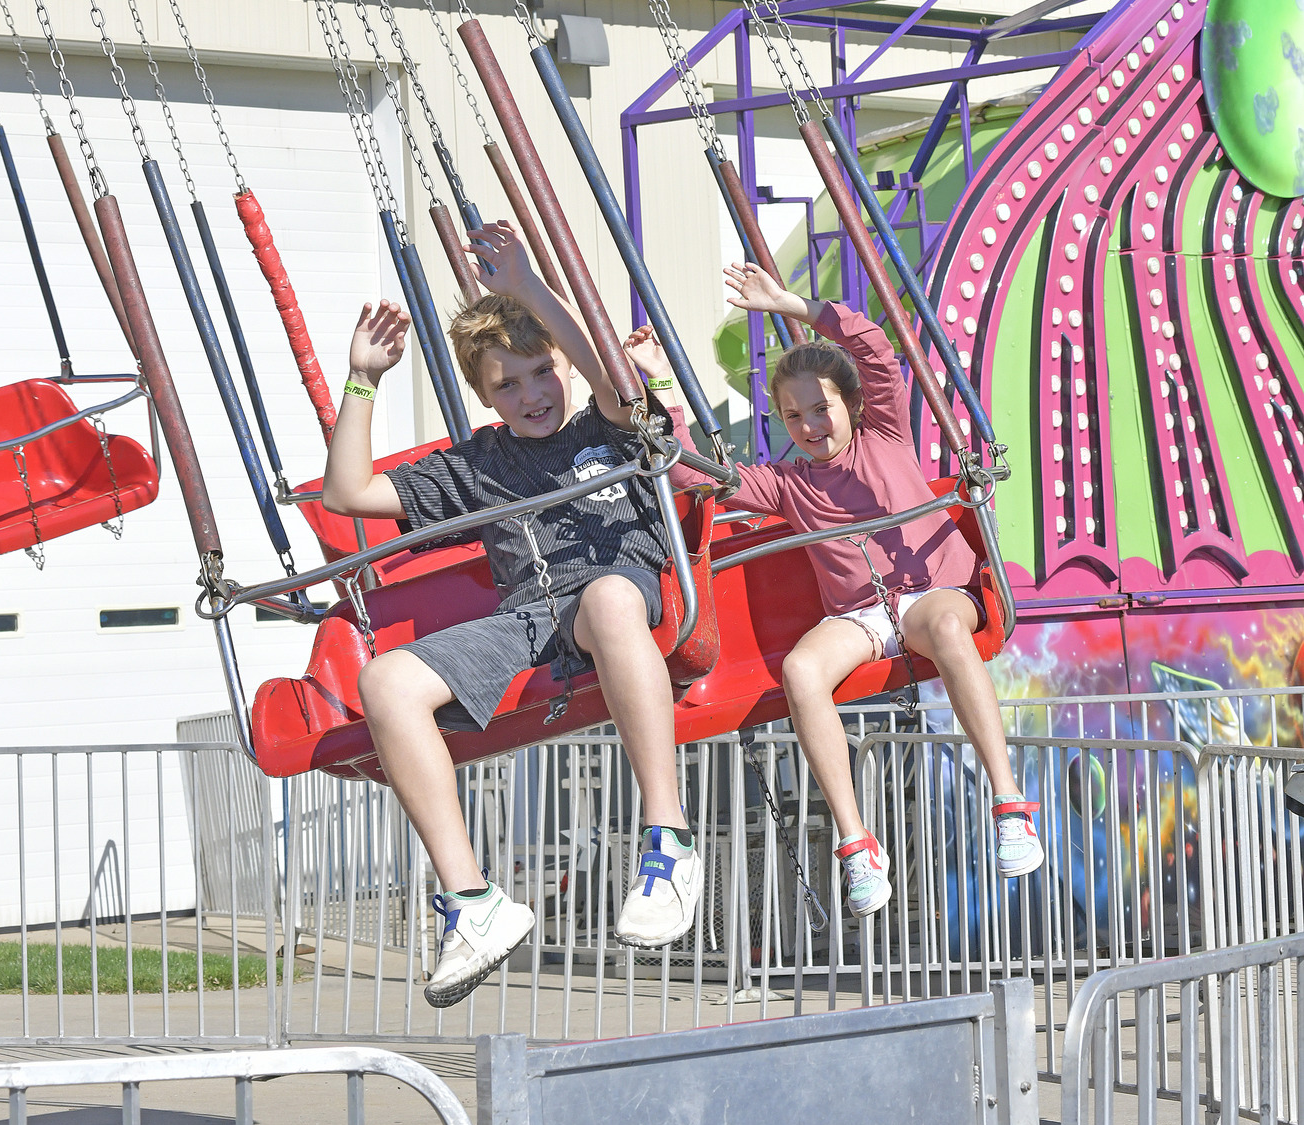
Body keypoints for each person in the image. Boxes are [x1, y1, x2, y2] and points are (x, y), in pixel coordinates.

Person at [321, 223, 702, 1008]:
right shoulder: (482, 465)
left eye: (542, 372)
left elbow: (614, 381)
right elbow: (348, 495)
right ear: (484, 394)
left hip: (619, 593)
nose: (531, 394)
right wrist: (363, 381)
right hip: (532, 619)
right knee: (387, 682)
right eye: (507, 384)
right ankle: (473, 903)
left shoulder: (610, 423)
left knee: (604, 596)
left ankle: (667, 838)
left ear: (566, 365)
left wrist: (529, 288)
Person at [716, 262, 1043, 918]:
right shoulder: (789, 483)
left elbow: (869, 344)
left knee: (952, 629)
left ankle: (1010, 803)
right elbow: (707, 478)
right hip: (862, 615)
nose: (809, 426)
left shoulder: (886, 431)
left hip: (929, 593)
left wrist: (794, 304)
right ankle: (855, 841)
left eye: (820, 409)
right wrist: (655, 390)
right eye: (793, 416)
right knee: (802, 670)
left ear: (851, 405)